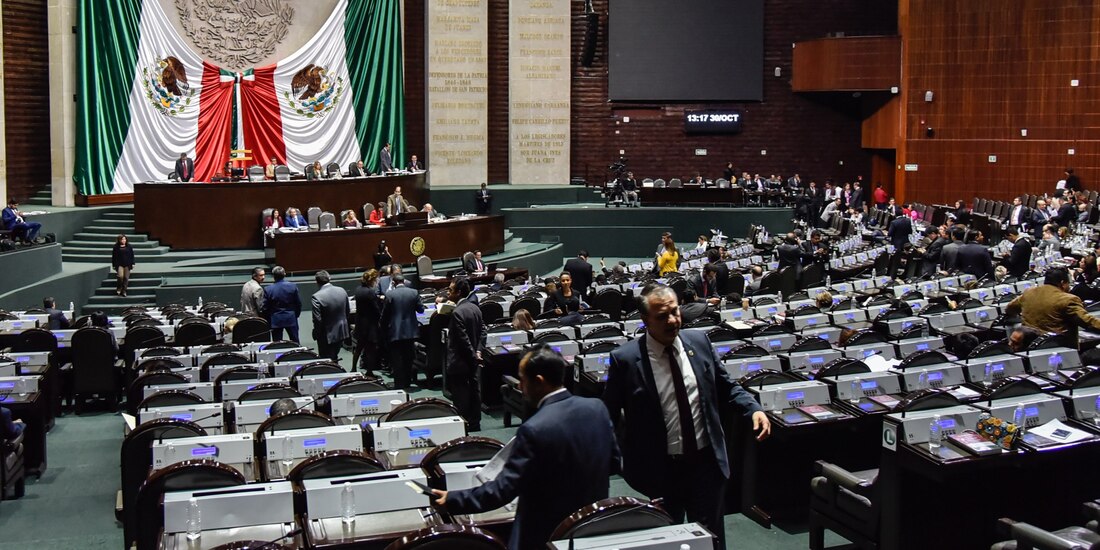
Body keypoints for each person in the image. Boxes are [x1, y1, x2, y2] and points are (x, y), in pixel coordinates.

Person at [603, 286, 770, 550]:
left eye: (674, 311)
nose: (672, 320)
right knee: (668, 541)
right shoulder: (625, 359)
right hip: (660, 470)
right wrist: (618, 460)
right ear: (645, 321)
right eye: (662, 316)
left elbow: (726, 386)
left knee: (710, 540)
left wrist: (754, 408)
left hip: (706, 464)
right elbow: (609, 415)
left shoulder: (699, 342)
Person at [433, 346, 619, 550]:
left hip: (544, 536)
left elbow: (501, 491)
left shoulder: (534, 429)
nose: (520, 386)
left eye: (522, 379)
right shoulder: (597, 408)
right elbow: (613, 463)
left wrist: (453, 498)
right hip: (591, 528)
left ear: (539, 381)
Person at [1006, 267, 1100, 347]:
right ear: (1062, 283)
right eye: (1068, 284)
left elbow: (1009, 308)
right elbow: (1088, 321)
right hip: (1057, 348)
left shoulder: (1029, 292)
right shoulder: (1068, 299)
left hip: (1028, 346)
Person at [445, 278, 485, 430]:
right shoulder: (476, 308)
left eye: (450, 290)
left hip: (460, 361)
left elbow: (463, 339)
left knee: (461, 395)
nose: (448, 293)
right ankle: (475, 423)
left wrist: (473, 355)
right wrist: (478, 351)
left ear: (459, 292)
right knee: (474, 391)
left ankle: (464, 426)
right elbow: (483, 332)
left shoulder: (457, 312)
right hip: (472, 360)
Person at [383, 273, 423, 389]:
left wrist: (383, 328)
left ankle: (399, 385)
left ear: (394, 283)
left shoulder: (390, 294)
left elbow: (385, 315)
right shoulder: (414, 292)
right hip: (411, 332)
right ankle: (407, 382)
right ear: (404, 282)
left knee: (397, 359)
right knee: (408, 358)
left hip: (395, 332)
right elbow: (420, 310)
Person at [311, 271, 350, 362]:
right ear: (330, 278)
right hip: (341, 331)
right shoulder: (342, 290)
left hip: (326, 334)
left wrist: (316, 333)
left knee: (326, 360)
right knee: (335, 355)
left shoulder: (316, 297)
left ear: (317, 282)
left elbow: (317, 320)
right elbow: (347, 311)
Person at [352, 270, 384, 374]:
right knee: (371, 349)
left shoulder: (358, 289)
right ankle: (369, 371)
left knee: (359, 348)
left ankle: (353, 368)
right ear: (372, 280)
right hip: (370, 325)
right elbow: (375, 309)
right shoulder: (370, 292)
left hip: (360, 323)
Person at [262, 266, 302, 342]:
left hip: (275, 319)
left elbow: (265, 307)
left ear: (273, 276)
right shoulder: (292, 286)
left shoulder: (268, 289)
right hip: (291, 317)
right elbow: (298, 303)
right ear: (284, 274)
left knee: (277, 343)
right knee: (295, 341)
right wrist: (295, 315)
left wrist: (269, 318)